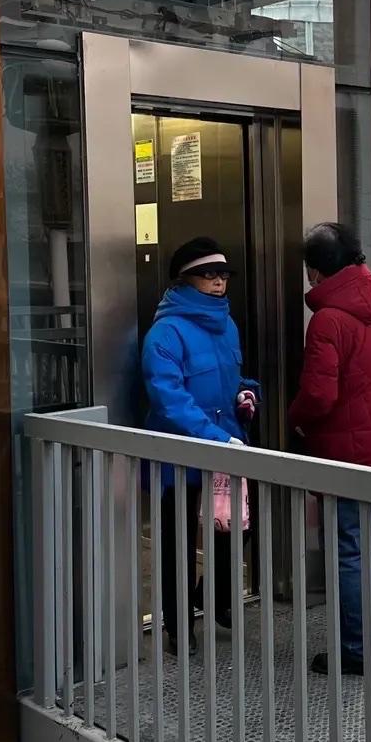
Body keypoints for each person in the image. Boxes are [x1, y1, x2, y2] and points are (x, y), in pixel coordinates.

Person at [288, 223, 371, 675]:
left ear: (316, 271)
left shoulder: (327, 321)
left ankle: (356, 650)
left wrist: (293, 417)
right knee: (369, 544)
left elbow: (319, 395)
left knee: (349, 551)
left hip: (347, 452)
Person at [141, 237, 257, 655]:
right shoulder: (165, 332)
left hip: (225, 446)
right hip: (180, 453)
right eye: (208, 275)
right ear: (184, 279)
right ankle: (179, 628)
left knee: (237, 528)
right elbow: (168, 398)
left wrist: (246, 394)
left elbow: (232, 379)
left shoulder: (227, 325)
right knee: (178, 542)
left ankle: (215, 598)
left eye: (222, 274)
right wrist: (215, 437)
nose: (218, 282)